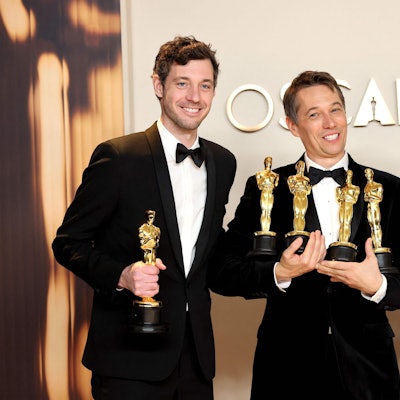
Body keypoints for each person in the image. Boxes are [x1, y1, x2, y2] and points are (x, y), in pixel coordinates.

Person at [52, 35, 236, 400]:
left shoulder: (222, 162)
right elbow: (67, 243)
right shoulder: (119, 157)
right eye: (182, 84)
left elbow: (207, 256)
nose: (194, 97)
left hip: (196, 361)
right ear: (158, 85)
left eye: (205, 86)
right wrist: (121, 275)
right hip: (127, 362)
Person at [209, 70, 400, 400]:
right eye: (314, 114)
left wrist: (378, 286)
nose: (330, 123)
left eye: (336, 109)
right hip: (286, 369)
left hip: (369, 370)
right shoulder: (266, 186)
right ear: (293, 125)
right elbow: (220, 272)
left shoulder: (389, 189)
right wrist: (278, 274)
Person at [256, 156, 279, 232]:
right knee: (264, 210)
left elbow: (275, 185)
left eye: (270, 161)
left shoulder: (275, 175)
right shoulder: (260, 174)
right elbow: (259, 185)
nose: (268, 163)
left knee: (268, 211)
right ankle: (264, 230)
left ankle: (266, 229)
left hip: (270, 192)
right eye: (267, 161)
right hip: (265, 191)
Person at [287, 159, 311, 232]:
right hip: (297, 195)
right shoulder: (292, 178)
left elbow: (308, 189)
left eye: (302, 166)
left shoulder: (306, 179)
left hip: (304, 196)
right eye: (300, 165)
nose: (301, 167)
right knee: (297, 213)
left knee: (302, 214)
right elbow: (291, 187)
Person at [336, 169, 360, 243]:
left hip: (349, 205)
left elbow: (355, 199)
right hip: (343, 205)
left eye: (349, 175)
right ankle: (342, 241)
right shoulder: (340, 188)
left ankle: (344, 242)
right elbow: (338, 198)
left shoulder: (355, 188)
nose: (348, 177)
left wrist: (346, 197)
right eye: (347, 175)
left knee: (346, 223)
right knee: (342, 222)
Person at [364, 167, 384, 249]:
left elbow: (379, 197)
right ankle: (375, 244)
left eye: (369, 173)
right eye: (366, 174)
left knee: (376, 224)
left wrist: (371, 197)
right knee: (372, 226)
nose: (368, 175)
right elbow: (365, 198)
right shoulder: (366, 186)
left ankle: (378, 244)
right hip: (370, 206)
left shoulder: (378, 185)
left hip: (375, 206)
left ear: (372, 174)